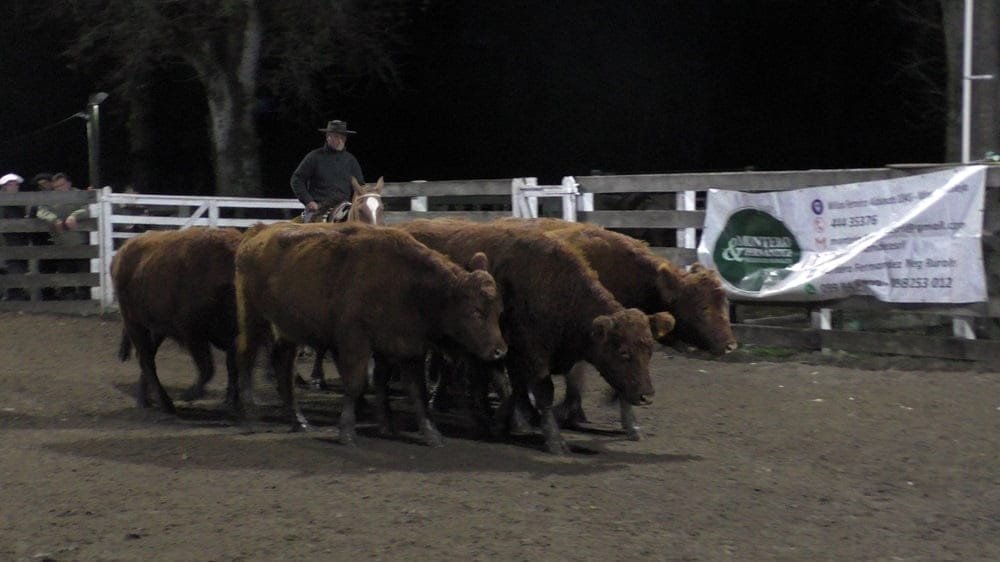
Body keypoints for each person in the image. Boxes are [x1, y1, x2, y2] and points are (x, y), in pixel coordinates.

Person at [290, 119, 365, 218]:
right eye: (336, 136)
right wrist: (308, 201)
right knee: (312, 231)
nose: (340, 140)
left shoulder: (351, 160)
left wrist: (355, 204)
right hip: (318, 208)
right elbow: (297, 179)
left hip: (344, 209)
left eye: (343, 137)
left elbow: (359, 186)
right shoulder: (314, 156)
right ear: (328, 137)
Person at [35, 173, 91, 300]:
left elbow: (88, 208)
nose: (59, 189)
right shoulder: (51, 198)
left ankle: (85, 295)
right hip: (61, 241)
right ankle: (68, 295)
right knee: (66, 269)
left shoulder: (79, 194)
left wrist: (75, 215)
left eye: (62, 185)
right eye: (56, 187)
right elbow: (41, 210)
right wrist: (54, 219)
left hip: (81, 240)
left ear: (69, 184)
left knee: (84, 270)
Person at [0, 173, 30, 300]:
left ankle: (14, 294)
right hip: (6, 239)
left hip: (18, 239)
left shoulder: (20, 202)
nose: (14, 187)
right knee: (11, 266)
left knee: (16, 266)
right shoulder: (3, 202)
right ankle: (12, 294)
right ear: (4, 186)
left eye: (15, 184)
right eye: (10, 184)